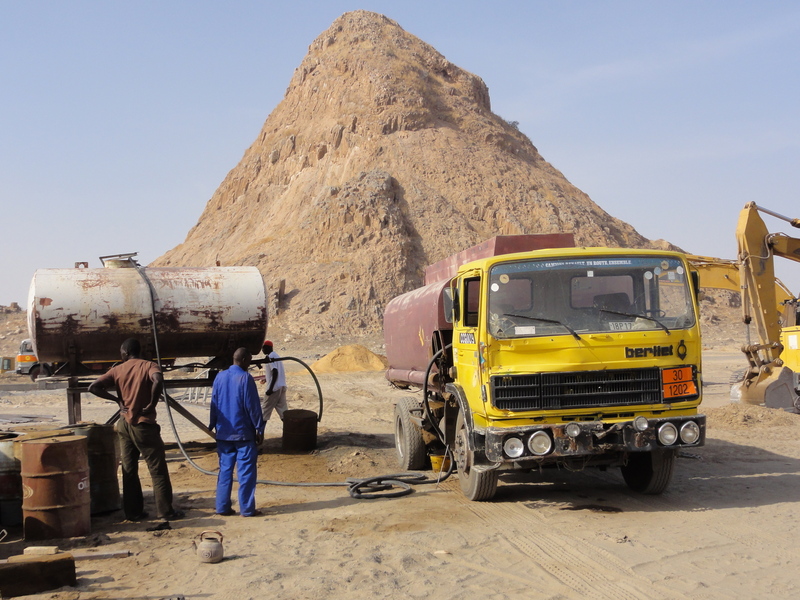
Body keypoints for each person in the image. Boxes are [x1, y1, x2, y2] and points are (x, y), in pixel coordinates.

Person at [88, 338, 183, 521]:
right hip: (144, 425)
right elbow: (158, 380)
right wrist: (152, 403)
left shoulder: (117, 369)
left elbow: (93, 387)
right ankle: (165, 511)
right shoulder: (149, 366)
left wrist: (117, 401)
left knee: (129, 470)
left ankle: (133, 512)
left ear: (125, 352)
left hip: (124, 425)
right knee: (157, 470)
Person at [209, 347, 265, 517]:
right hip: (243, 434)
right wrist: (259, 428)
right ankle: (247, 509)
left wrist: (212, 424)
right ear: (245, 360)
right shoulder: (245, 378)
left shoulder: (220, 376)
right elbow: (253, 406)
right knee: (246, 472)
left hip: (224, 433)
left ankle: (222, 507)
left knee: (225, 471)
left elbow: (214, 402)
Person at [261, 340, 288, 426]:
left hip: (274, 388)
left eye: (263, 347)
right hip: (281, 386)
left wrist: (270, 388)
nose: (262, 350)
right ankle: (291, 430)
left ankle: (259, 435)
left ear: (268, 348)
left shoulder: (270, 357)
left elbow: (275, 371)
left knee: (264, 412)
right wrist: (266, 379)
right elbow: (275, 372)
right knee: (284, 413)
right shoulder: (276, 355)